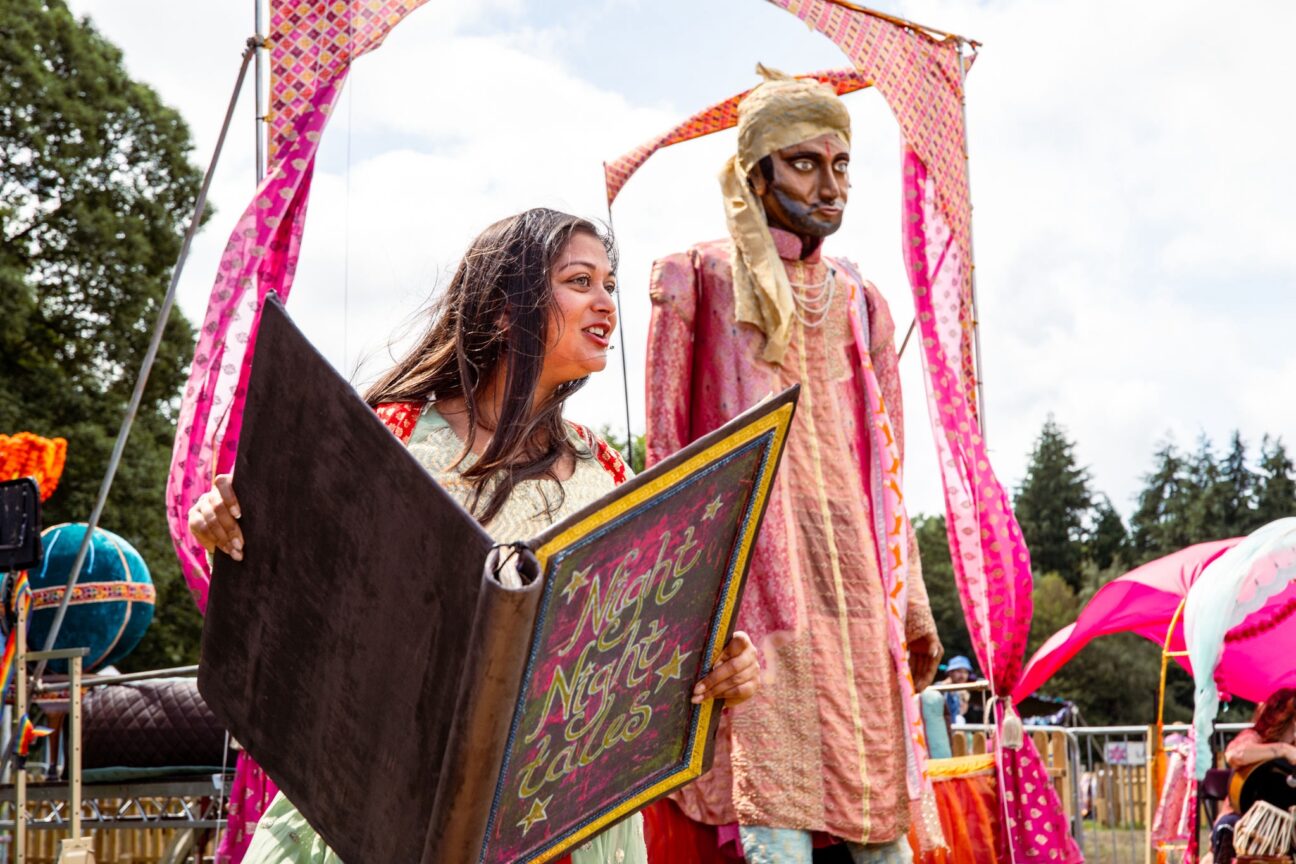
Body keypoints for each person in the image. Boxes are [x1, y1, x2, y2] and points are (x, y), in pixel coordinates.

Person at [188, 208, 761, 864]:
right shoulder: (393, 436)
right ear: (501, 312)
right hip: (386, 802)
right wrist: (230, 515)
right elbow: (293, 596)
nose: (606, 302)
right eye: (580, 281)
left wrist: (717, 664)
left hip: (561, 820)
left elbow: (648, 647)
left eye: (610, 284)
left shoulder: (608, 471)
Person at [645, 66, 942, 863]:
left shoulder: (863, 299)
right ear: (756, 172)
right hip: (756, 605)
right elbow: (666, 462)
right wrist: (689, 618)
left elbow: (891, 474)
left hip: (853, 599)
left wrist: (908, 603)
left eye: (841, 164)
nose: (830, 185)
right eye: (805, 163)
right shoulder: (694, 278)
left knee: (880, 819)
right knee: (772, 816)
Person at [939, 656, 974, 724]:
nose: (962, 675)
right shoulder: (939, 688)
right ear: (950, 673)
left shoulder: (964, 692)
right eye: (959, 671)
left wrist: (964, 701)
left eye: (965, 672)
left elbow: (962, 712)